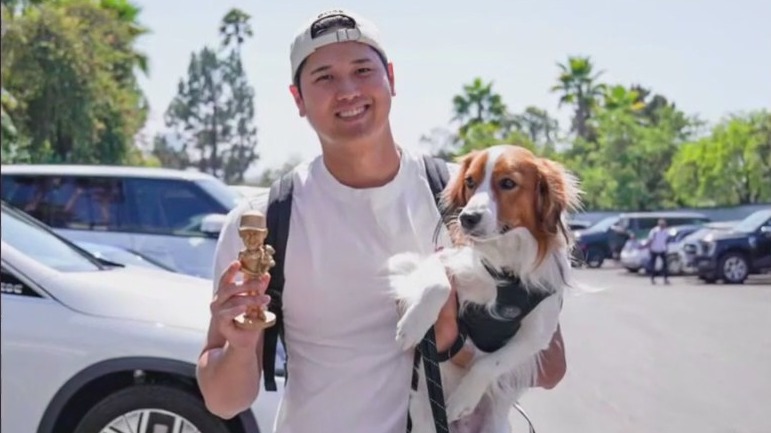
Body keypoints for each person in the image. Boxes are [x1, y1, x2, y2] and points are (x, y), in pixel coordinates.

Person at [196, 8, 566, 433]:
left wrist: (451, 344)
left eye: (362, 69)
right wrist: (241, 348)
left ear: (391, 77)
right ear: (297, 100)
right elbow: (224, 402)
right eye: (324, 77)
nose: (348, 90)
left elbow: (550, 366)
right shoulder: (260, 222)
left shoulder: (464, 197)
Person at [646, 219, 670, 284]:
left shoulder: (666, 231)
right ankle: (652, 279)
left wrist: (667, 248)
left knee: (665, 265)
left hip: (662, 249)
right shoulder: (654, 231)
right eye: (662, 224)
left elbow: (666, 240)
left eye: (664, 224)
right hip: (654, 249)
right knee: (653, 265)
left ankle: (665, 279)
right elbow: (650, 240)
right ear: (659, 224)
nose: (663, 226)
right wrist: (648, 247)